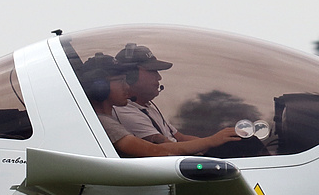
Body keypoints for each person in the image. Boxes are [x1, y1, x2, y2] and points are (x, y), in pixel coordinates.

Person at [78, 53, 234, 158]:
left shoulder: (111, 118)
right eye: (120, 81)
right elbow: (156, 151)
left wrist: (216, 143)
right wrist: (211, 141)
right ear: (99, 86)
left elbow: (177, 139)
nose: (127, 87)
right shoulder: (105, 123)